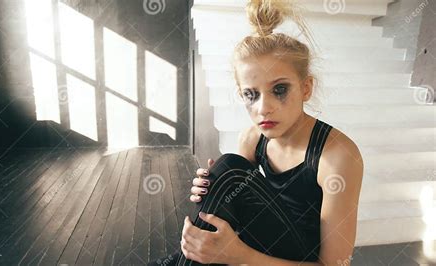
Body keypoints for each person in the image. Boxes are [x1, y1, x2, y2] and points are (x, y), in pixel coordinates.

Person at [149, 0, 363, 265]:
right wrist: (212, 188)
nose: (264, 108)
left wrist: (239, 255)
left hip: (303, 259)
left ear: (306, 88)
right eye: (251, 94)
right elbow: (236, 209)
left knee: (230, 167)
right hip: (263, 249)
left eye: (280, 89)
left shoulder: (338, 156)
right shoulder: (252, 138)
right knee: (227, 169)